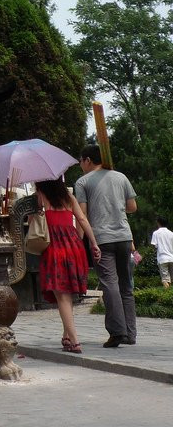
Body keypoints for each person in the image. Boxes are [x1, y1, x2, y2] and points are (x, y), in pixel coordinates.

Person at [75, 144, 138, 347]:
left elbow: (82, 215)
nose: (80, 165)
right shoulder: (120, 177)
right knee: (126, 285)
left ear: (87, 160)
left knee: (109, 284)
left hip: (102, 238)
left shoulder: (82, 182)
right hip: (124, 236)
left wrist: (78, 240)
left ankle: (117, 331)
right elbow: (132, 207)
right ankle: (130, 333)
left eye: (81, 161)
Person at [34, 178, 101, 353]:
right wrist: (93, 243)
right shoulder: (68, 196)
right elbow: (82, 219)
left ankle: (75, 341)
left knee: (62, 296)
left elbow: (34, 215)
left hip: (54, 248)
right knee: (68, 294)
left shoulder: (41, 196)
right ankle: (66, 336)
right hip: (73, 246)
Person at [150, 216, 173, 288]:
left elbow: (153, 245)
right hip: (172, 258)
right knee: (171, 279)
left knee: (165, 279)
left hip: (162, 258)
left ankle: (166, 296)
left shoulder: (156, 233)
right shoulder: (171, 233)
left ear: (158, 223)